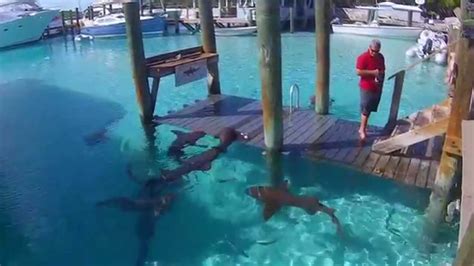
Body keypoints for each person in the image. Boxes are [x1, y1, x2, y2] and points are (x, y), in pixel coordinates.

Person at [356, 39, 385, 141]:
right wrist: (373, 73)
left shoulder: (380, 57)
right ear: (369, 48)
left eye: (377, 51)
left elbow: (382, 70)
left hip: (376, 86)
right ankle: (362, 129)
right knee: (366, 108)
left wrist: (380, 79)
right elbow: (358, 72)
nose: (374, 53)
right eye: (373, 51)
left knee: (370, 109)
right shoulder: (362, 57)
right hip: (366, 86)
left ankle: (364, 127)